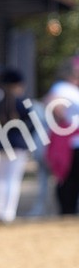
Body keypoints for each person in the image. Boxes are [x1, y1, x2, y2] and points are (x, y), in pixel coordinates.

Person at [0, 69, 31, 224]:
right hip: (18, 146)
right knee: (13, 180)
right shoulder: (23, 103)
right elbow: (31, 126)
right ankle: (8, 213)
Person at [43, 55, 79, 215]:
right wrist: (61, 115)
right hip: (70, 141)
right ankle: (66, 209)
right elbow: (51, 101)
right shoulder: (62, 87)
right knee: (68, 177)